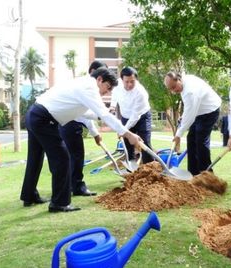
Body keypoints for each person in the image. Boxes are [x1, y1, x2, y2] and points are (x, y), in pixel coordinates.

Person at [20, 67, 141, 212]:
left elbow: (83, 114)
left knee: (35, 158)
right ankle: (59, 203)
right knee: (62, 158)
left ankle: (29, 195)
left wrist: (99, 116)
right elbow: (104, 114)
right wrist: (129, 135)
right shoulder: (89, 87)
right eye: (107, 87)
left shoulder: (82, 84)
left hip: (34, 114)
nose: (106, 92)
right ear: (100, 79)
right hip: (43, 119)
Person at [58, 60, 106, 197]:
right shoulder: (85, 86)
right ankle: (77, 186)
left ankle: (72, 185)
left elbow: (85, 113)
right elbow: (84, 114)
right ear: (93, 72)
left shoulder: (85, 85)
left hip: (67, 121)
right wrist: (100, 119)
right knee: (77, 155)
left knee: (72, 156)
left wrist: (95, 133)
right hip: (69, 122)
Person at [164, 71, 222, 176]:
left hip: (210, 111)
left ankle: (207, 175)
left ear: (179, 79)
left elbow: (190, 117)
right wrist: (184, 116)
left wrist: (178, 135)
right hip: (198, 113)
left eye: (174, 87)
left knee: (201, 141)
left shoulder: (190, 91)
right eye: (170, 89)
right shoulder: (184, 83)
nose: (173, 91)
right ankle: (192, 174)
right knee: (191, 139)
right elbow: (189, 109)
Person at [110, 66, 154, 163]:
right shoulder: (117, 85)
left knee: (144, 142)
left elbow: (135, 116)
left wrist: (123, 130)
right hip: (125, 116)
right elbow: (114, 94)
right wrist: (112, 106)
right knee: (127, 142)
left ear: (136, 79)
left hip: (142, 117)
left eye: (132, 81)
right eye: (127, 82)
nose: (129, 84)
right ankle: (131, 168)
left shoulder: (141, 93)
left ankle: (151, 169)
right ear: (122, 80)